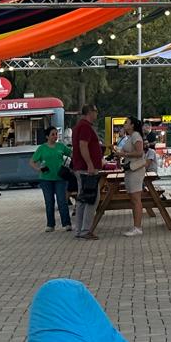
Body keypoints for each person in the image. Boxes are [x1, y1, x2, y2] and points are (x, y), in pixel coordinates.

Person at [70, 103, 103, 240]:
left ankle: (79, 230)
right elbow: (83, 145)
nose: (97, 114)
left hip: (80, 166)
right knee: (92, 198)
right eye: (95, 111)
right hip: (86, 168)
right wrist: (90, 163)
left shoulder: (79, 126)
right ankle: (85, 230)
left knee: (83, 199)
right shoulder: (85, 127)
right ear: (90, 112)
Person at [32, 127, 71, 231]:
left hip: (60, 178)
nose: (55, 136)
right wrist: (38, 169)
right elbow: (32, 161)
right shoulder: (42, 148)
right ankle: (50, 224)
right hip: (46, 179)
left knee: (62, 201)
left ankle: (66, 223)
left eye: (56, 134)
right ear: (47, 136)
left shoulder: (61, 146)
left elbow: (71, 153)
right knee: (49, 202)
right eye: (53, 134)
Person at [116, 120, 146, 237]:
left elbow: (139, 152)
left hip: (135, 170)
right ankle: (136, 225)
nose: (124, 124)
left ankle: (138, 227)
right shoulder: (130, 137)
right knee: (133, 199)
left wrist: (124, 155)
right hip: (130, 169)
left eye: (127, 122)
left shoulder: (136, 136)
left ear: (132, 125)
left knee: (136, 198)